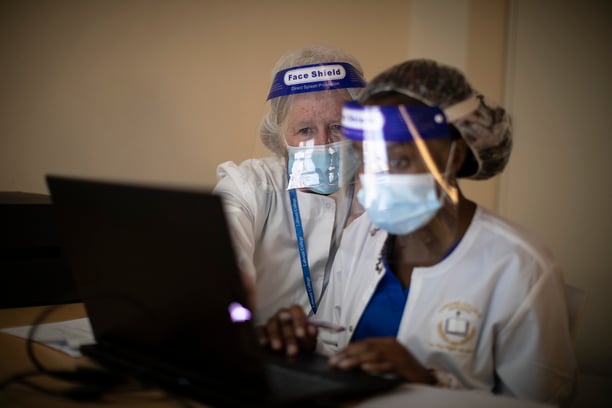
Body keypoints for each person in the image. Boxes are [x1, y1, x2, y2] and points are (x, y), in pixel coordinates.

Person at [257, 59, 577, 405]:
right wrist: (304, 343)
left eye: (401, 160)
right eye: (369, 159)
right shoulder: (359, 238)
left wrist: (428, 382)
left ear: (452, 157)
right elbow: (333, 345)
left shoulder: (517, 267)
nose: (378, 177)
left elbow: (544, 402)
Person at [213, 45, 366, 324]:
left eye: (336, 126)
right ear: (281, 136)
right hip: (265, 349)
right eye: (305, 130)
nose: (322, 143)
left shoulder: (379, 194)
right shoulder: (251, 186)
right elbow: (221, 254)